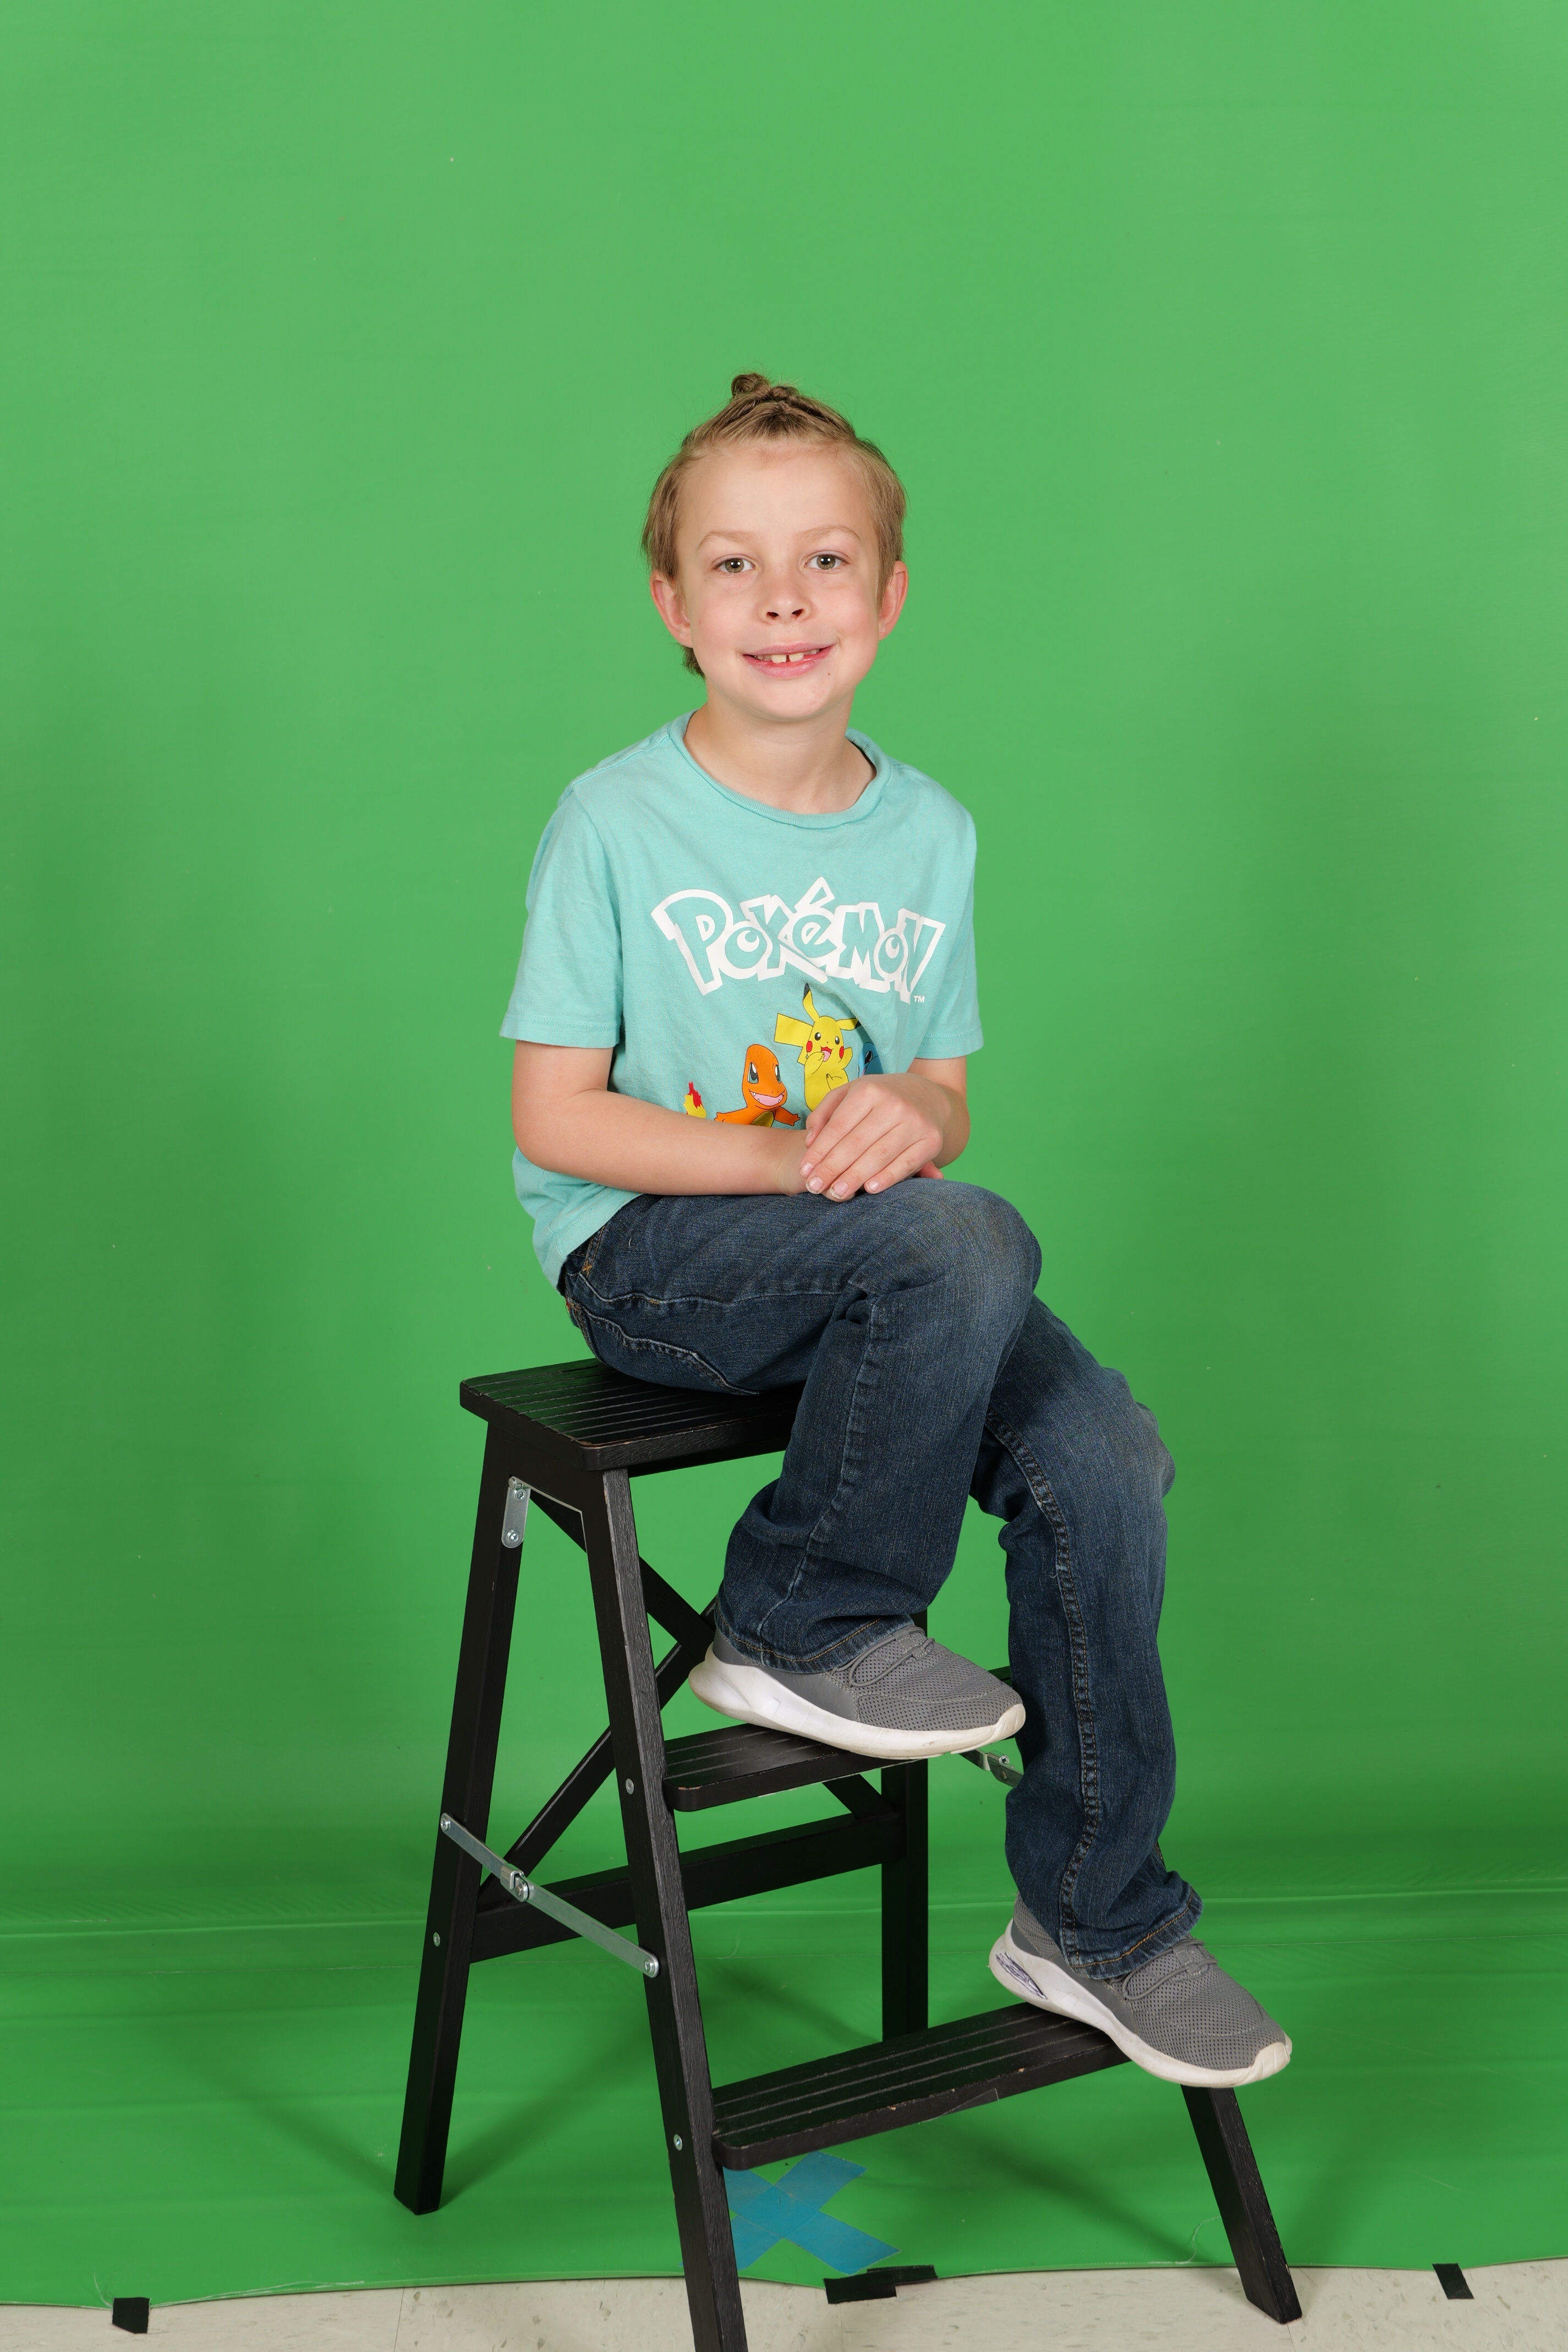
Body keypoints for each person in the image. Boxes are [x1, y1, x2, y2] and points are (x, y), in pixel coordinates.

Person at [501, 374, 1290, 2091]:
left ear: (889, 594)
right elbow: (555, 1119)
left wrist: (917, 1121)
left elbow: (937, 1091)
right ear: (674, 604)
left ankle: (1094, 1918)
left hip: (878, 1269)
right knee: (963, 1239)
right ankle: (801, 1617)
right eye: (735, 564)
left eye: (826, 560)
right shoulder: (615, 821)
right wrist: (798, 1161)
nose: (784, 600)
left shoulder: (928, 832)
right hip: (656, 1260)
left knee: (1102, 1453)